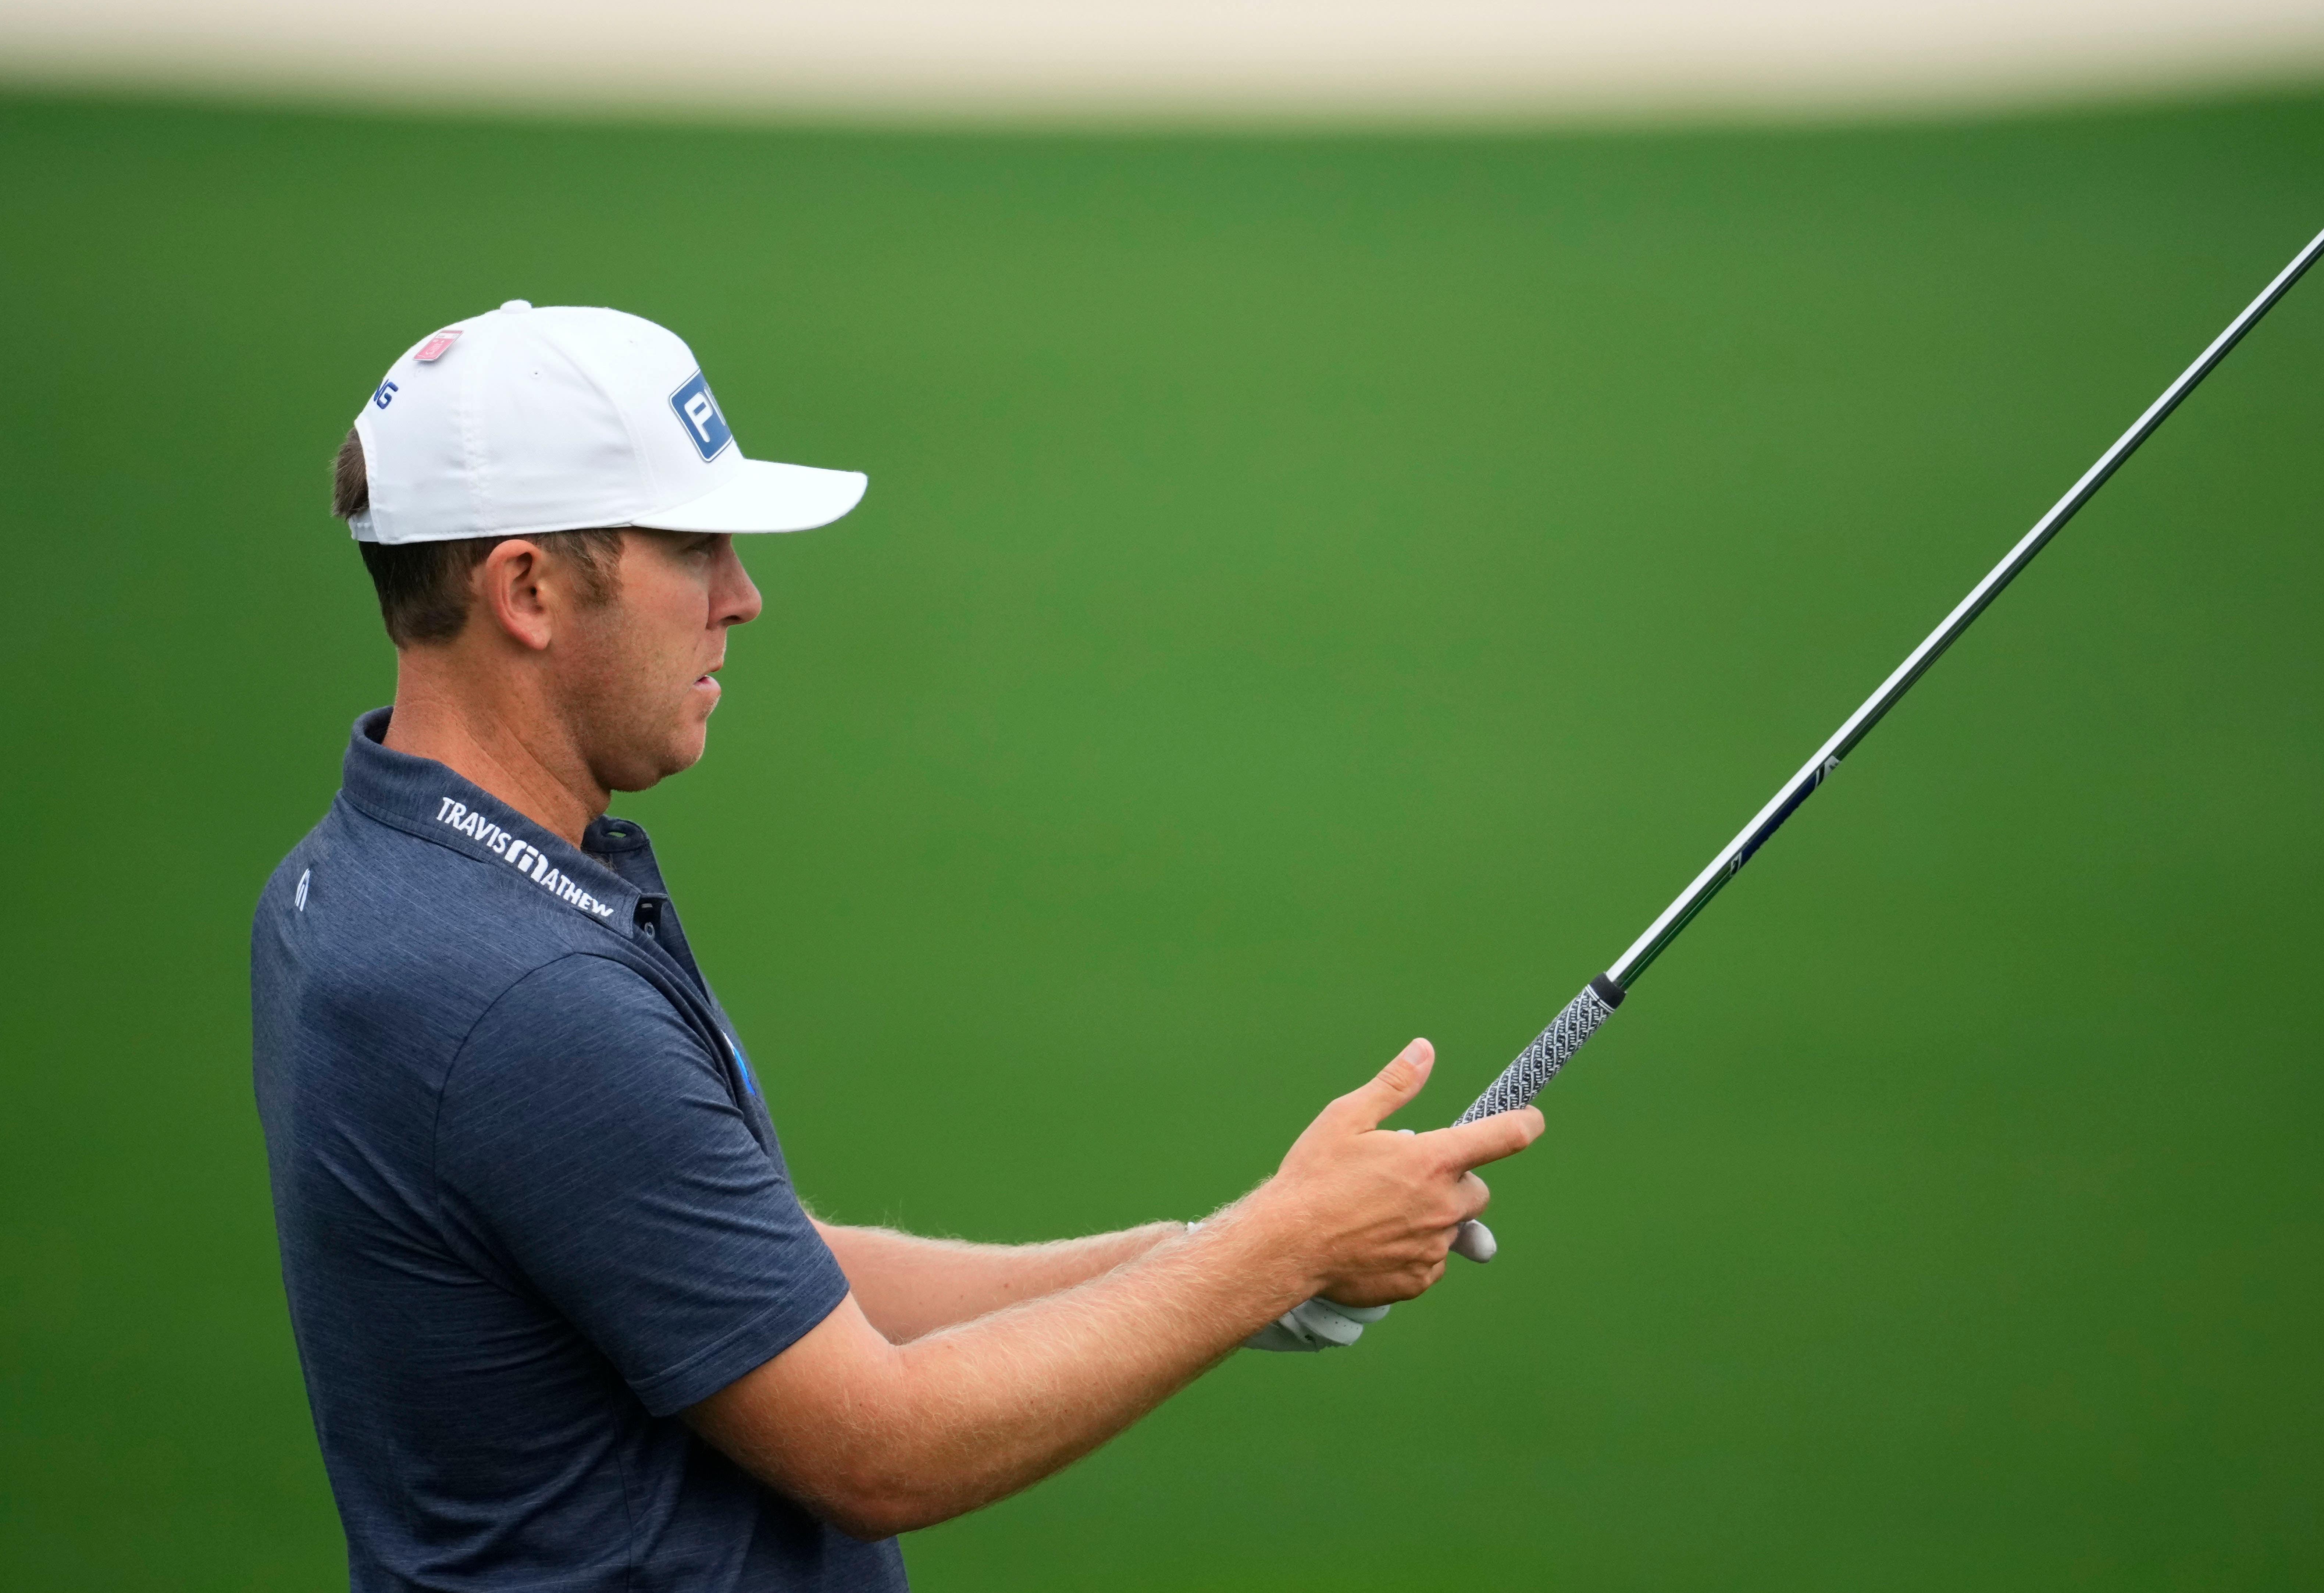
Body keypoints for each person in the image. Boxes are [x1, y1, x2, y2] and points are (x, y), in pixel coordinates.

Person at [251, 301, 1544, 1592]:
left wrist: (1220, 1252)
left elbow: (749, 1280)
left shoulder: (356, 879)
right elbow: (877, 1449)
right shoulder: (527, 996)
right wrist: (1275, 1251)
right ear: (527, 589)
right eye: (694, 548)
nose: (743, 598)